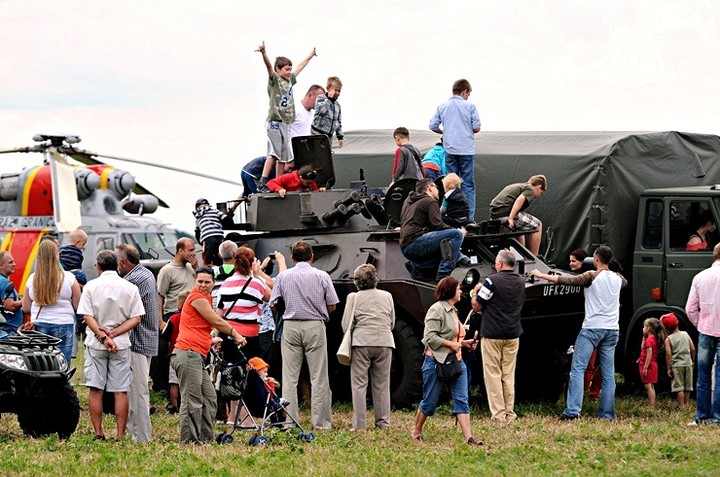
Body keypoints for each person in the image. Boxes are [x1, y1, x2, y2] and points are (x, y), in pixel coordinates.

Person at [531, 245, 627, 420]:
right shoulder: (618, 279)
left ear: (596, 259)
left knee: (577, 369)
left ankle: (573, 410)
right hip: (612, 329)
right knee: (608, 373)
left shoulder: (591, 276)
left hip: (592, 327)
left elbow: (567, 281)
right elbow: (622, 280)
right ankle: (607, 414)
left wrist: (541, 275)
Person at [170, 267, 247, 444]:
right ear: (195, 282)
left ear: (213, 283)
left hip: (196, 353)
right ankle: (190, 441)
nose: (203, 285)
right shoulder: (197, 297)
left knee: (209, 397)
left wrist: (208, 342)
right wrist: (235, 334)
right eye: (200, 281)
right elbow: (216, 321)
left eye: (207, 282)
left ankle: (205, 439)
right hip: (187, 354)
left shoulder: (206, 298)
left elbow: (195, 326)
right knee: (192, 401)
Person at [269, 241, 339, 430]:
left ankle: (291, 422)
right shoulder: (322, 276)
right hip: (315, 325)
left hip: (290, 326)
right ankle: (321, 423)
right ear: (312, 257)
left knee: (289, 377)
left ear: (292, 258)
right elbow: (332, 305)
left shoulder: (284, 277)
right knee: (319, 376)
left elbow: (273, 303)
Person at [77, 250, 144, 440]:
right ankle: (120, 434)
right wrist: (113, 334)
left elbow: (86, 315)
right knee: (120, 390)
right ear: (117, 265)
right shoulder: (130, 287)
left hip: (96, 343)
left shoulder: (91, 286)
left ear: (98, 267)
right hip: (120, 343)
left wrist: (102, 336)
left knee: (95, 389)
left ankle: (99, 432)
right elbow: (137, 318)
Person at [411, 277, 482, 446]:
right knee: (430, 400)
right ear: (450, 291)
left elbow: (453, 335)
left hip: (456, 361)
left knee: (462, 399)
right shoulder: (436, 310)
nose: (460, 292)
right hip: (436, 361)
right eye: (458, 289)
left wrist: (465, 344)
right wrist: (453, 344)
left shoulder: (453, 310)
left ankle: (468, 437)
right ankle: (416, 431)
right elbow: (429, 337)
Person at [216, 247, 273, 431]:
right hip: (248, 336)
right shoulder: (255, 283)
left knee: (232, 376)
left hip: (228, 333)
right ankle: (245, 417)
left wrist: (218, 338)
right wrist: (258, 274)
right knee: (248, 375)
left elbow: (219, 314)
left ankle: (233, 417)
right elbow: (273, 298)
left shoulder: (226, 284)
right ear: (251, 262)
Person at [470, 249, 524, 423]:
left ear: (500, 264)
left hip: (492, 334)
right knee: (508, 374)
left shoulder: (491, 281)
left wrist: (475, 291)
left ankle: (498, 414)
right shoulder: (520, 281)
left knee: (493, 374)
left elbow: (477, 307)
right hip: (513, 333)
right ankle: (510, 412)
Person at [341, 264, 395, 430]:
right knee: (382, 385)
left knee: (359, 384)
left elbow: (345, 324)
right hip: (385, 341)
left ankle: (359, 424)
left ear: (357, 283)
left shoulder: (353, 297)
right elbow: (392, 321)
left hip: (361, 342)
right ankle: (383, 422)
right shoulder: (387, 296)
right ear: (375, 280)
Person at [116, 243, 159, 442]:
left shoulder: (133, 280)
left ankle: (142, 436)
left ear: (123, 262)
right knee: (135, 390)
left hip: (138, 341)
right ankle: (136, 432)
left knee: (139, 391)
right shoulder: (145, 274)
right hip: (147, 339)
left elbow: (125, 310)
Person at [258, 41, 317, 185]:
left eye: (290, 68)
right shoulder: (275, 80)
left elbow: (300, 67)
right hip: (275, 122)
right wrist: (264, 53)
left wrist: (310, 56)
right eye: (286, 69)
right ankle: (264, 181)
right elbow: (268, 66)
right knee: (275, 154)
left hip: (285, 122)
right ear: (278, 70)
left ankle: (277, 181)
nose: (289, 71)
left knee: (283, 157)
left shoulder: (290, 80)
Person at [428, 79, 481, 220]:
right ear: (464, 91)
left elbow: (433, 125)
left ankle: (451, 214)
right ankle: (468, 218)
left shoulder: (442, 106)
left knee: (450, 183)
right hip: (466, 150)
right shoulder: (470, 106)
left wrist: (445, 133)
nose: (468, 96)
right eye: (468, 94)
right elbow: (477, 127)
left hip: (450, 149)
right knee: (468, 184)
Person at [21, 240, 81, 364]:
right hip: (64, 323)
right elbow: (77, 305)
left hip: (38, 324)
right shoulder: (69, 278)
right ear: (56, 255)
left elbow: (26, 307)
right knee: (62, 363)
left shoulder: (32, 279)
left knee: (40, 364)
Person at [400, 178, 470, 281]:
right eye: (436, 187)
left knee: (445, 249)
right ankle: (444, 273)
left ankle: (418, 268)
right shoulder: (430, 201)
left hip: (405, 247)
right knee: (456, 235)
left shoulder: (408, 201)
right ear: (429, 188)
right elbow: (437, 225)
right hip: (417, 242)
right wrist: (459, 231)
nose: (439, 190)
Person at [154, 238, 197, 394]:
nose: (193, 253)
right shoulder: (167, 270)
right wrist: (160, 321)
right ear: (180, 251)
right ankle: (163, 385)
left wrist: (196, 267)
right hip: (173, 314)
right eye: (190, 250)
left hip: (191, 315)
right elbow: (160, 296)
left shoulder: (191, 268)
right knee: (168, 351)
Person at [685, 243, 720, 425]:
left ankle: (701, 416)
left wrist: (702, 325)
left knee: (703, 376)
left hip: (706, 331)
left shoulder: (700, 277)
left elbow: (690, 309)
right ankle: (717, 417)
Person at [489, 175, 547, 256]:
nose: (539, 195)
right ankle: (535, 257)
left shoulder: (518, 186)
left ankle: (521, 255)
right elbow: (520, 200)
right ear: (539, 187)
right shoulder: (529, 189)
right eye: (541, 192)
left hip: (495, 215)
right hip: (505, 212)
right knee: (538, 225)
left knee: (520, 229)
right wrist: (511, 218)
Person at [161, 289, 191, 414]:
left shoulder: (173, 318)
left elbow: (165, 335)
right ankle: (188, 404)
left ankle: (175, 406)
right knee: (188, 382)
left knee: (174, 382)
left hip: (175, 352)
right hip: (191, 352)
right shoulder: (194, 319)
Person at [661, 312, 695, 408]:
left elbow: (668, 355)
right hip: (688, 364)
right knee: (687, 387)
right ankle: (687, 404)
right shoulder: (686, 334)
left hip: (677, 365)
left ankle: (681, 406)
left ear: (666, 328)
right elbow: (693, 349)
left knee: (679, 387)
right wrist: (692, 361)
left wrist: (669, 368)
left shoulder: (668, 339)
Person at [288, 84, 325, 162]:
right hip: (290, 159)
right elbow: (283, 134)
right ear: (310, 95)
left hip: (305, 158)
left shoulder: (314, 116)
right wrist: (287, 159)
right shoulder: (294, 109)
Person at [311, 76, 344, 148]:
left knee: (326, 157)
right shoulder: (321, 98)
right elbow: (322, 111)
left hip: (329, 136)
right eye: (335, 90)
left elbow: (338, 122)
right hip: (317, 133)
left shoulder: (337, 105)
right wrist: (329, 99)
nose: (337, 93)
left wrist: (340, 136)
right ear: (328, 89)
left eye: (339, 91)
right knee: (317, 155)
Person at [637, 317, 664, 406]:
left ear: (648, 328)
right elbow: (642, 347)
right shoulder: (653, 339)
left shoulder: (649, 341)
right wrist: (644, 336)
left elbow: (649, 355)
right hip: (653, 365)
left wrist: (645, 367)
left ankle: (651, 404)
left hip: (649, 366)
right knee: (651, 386)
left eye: (644, 326)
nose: (643, 328)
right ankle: (652, 403)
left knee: (648, 386)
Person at [193, 198, 227, 267]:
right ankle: (220, 268)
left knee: (207, 260)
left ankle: (208, 270)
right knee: (220, 257)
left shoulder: (198, 216)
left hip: (208, 238)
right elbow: (226, 219)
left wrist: (201, 242)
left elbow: (197, 232)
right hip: (219, 237)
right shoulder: (215, 211)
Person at [0, 252, 23, 336]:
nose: (14, 264)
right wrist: (25, 301)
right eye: (10, 262)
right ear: (1, 265)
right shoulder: (4, 282)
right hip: (8, 331)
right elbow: (10, 306)